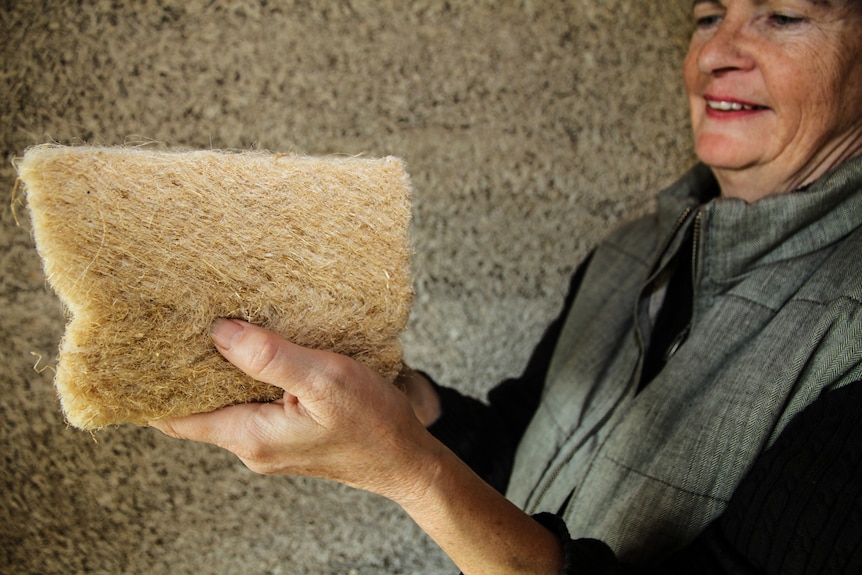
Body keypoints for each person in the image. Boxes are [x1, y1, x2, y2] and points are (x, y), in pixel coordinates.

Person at [150, 1, 862, 573]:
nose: (714, 54)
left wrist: (407, 469)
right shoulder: (629, 252)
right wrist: (399, 394)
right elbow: (517, 452)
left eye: (784, 17)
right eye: (709, 17)